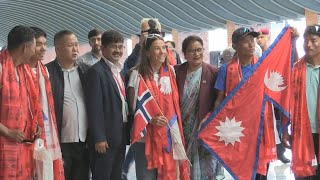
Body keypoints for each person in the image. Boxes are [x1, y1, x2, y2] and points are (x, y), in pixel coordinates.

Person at [127, 33, 189, 180]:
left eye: (164, 47)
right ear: (147, 52)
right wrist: (150, 119)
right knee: (146, 176)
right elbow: (132, 108)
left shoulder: (171, 71)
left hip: (169, 133)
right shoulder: (137, 75)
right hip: (145, 137)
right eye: (157, 48)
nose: (162, 51)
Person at [174, 35, 224, 179]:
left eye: (199, 50)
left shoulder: (214, 72)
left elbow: (219, 101)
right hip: (181, 130)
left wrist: (208, 119)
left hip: (204, 128)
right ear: (184, 54)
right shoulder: (176, 71)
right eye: (191, 51)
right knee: (184, 168)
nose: (196, 54)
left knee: (206, 168)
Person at [46, 30, 90, 180]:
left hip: (83, 142)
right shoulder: (47, 73)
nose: (76, 49)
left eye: (77, 44)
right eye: (70, 45)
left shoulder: (85, 71)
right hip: (60, 142)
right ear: (58, 49)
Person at [0, 25, 41, 179]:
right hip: (4, 144)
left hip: (22, 145)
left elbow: (29, 107)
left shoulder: (25, 71)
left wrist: (35, 125)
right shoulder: (1, 68)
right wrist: (8, 132)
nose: (36, 50)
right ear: (26, 47)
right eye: (35, 45)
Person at [86, 30, 128, 180]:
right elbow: (94, 107)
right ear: (103, 48)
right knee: (102, 176)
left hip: (120, 134)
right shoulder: (96, 72)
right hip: (104, 140)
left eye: (120, 46)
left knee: (116, 175)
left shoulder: (119, 71)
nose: (117, 50)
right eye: (113, 46)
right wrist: (99, 137)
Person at [282, 25, 320, 180]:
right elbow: (286, 101)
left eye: (313, 40)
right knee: (304, 175)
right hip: (302, 133)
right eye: (306, 41)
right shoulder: (295, 70)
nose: (308, 44)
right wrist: (285, 129)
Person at [28, 26, 65, 179]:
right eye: (39, 44)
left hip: (46, 130)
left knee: (45, 171)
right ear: (27, 45)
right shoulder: (18, 70)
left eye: (45, 44)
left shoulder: (44, 70)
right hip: (25, 134)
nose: (43, 48)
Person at [257, 28, 291, 164]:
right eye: (258, 37)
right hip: (262, 96)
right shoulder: (256, 55)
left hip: (275, 92)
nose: (259, 39)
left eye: (262, 37)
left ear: (268, 37)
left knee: (278, 124)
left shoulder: (274, 52)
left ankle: (280, 152)